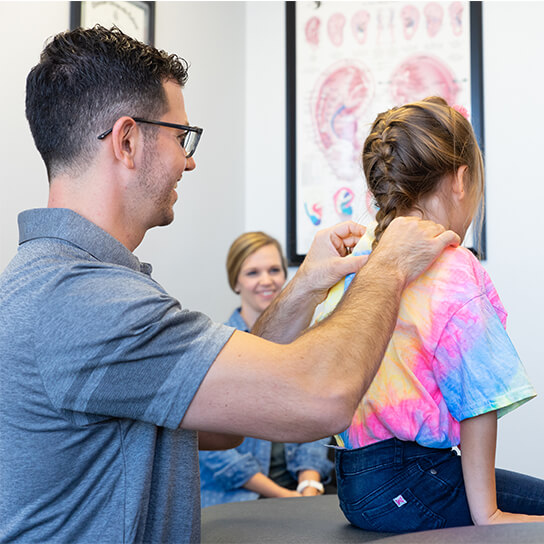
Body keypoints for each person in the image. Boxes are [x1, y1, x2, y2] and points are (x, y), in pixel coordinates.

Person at [0, 26, 459, 543]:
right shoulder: (84, 301)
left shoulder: (63, 283)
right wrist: (388, 266)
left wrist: (305, 286)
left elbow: (225, 423)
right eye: (182, 137)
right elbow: (320, 398)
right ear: (127, 141)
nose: (189, 160)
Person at [314, 96, 544, 533]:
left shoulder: (361, 255)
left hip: (354, 483)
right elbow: (479, 398)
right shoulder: (453, 265)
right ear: (460, 180)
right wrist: (488, 514)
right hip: (410, 481)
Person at [200, 232, 334, 506]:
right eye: (252, 272)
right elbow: (213, 451)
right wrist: (285, 499)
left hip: (299, 494)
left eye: (274, 270)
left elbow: (313, 421)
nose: (266, 281)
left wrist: (309, 485)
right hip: (239, 498)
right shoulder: (216, 347)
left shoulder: (305, 341)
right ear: (235, 282)